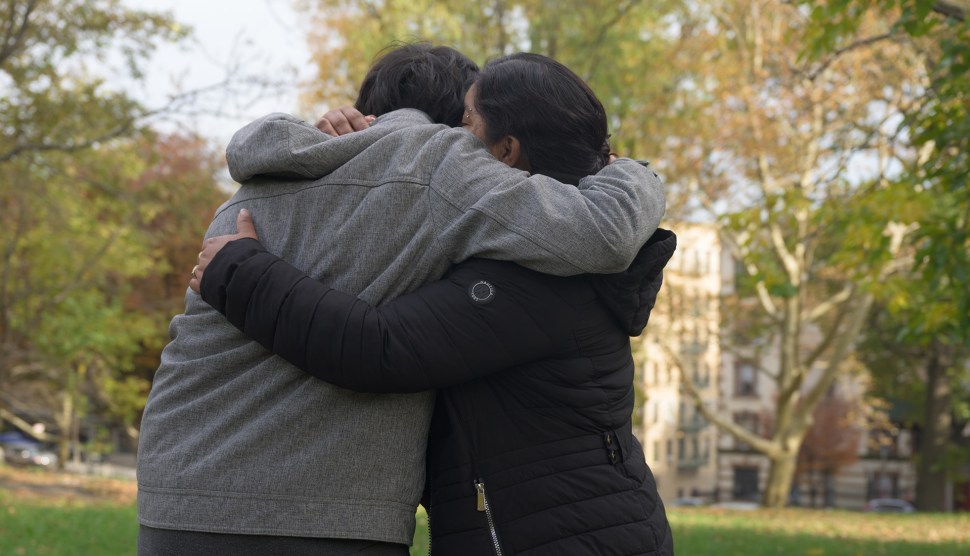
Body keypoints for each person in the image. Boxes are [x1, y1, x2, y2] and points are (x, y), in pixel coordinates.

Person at [136, 44, 666, 555]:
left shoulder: (257, 185)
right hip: (332, 515)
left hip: (175, 491)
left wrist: (240, 272)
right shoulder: (442, 169)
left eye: (469, 122)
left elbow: (380, 346)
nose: (462, 137)